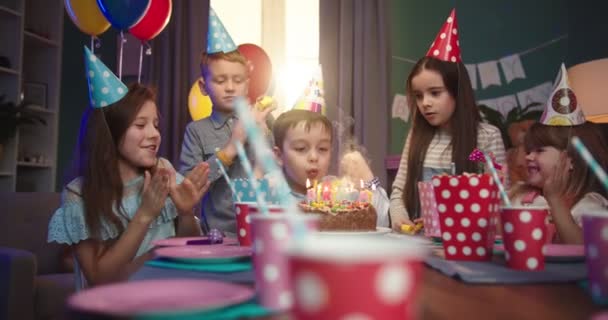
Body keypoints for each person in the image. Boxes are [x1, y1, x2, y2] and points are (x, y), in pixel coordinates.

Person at [48, 48, 209, 288]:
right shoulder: (78, 194)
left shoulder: (162, 171)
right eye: (140, 125)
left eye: (155, 124)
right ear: (110, 134)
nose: (154, 134)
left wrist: (186, 213)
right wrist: (145, 214)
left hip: (166, 299)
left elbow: (187, 253)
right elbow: (99, 279)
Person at [389, 9, 505, 230]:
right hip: (419, 243)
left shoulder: (487, 137)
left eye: (435, 93)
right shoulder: (417, 135)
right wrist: (399, 219)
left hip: (465, 245)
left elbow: (497, 202)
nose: (425, 103)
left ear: (457, 92)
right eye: (419, 95)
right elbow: (399, 192)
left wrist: (446, 223)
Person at [179, 8, 273, 235]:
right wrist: (231, 147)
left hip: (262, 230)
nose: (230, 87)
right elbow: (188, 187)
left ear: (248, 84)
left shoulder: (261, 120)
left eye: (237, 80)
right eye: (220, 80)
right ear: (203, 86)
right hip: (218, 234)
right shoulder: (196, 132)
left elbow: (275, 173)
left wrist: (263, 135)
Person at [509, 64, 608, 244]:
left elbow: (581, 250)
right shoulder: (522, 196)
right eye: (529, 150)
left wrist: (554, 200)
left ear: (571, 160)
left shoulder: (589, 206)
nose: (528, 156)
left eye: (539, 150)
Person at [272, 109, 390, 227]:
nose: (314, 157)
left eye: (322, 149)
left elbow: (381, 223)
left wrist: (368, 180)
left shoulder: (338, 191)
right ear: (279, 155)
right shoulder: (270, 190)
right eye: (301, 148)